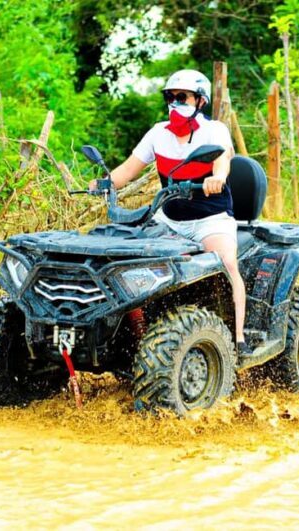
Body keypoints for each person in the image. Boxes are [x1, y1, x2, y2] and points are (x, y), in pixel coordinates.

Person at [90, 69, 252, 356]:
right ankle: (137, 335)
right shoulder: (158, 133)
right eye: (170, 97)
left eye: (182, 97)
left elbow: (222, 161)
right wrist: (104, 183)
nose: (174, 103)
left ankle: (238, 339)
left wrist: (218, 178)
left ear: (200, 101)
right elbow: (128, 168)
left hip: (210, 219)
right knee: (128, 261)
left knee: (227, 262)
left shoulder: (214, 131)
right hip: (169, 218)